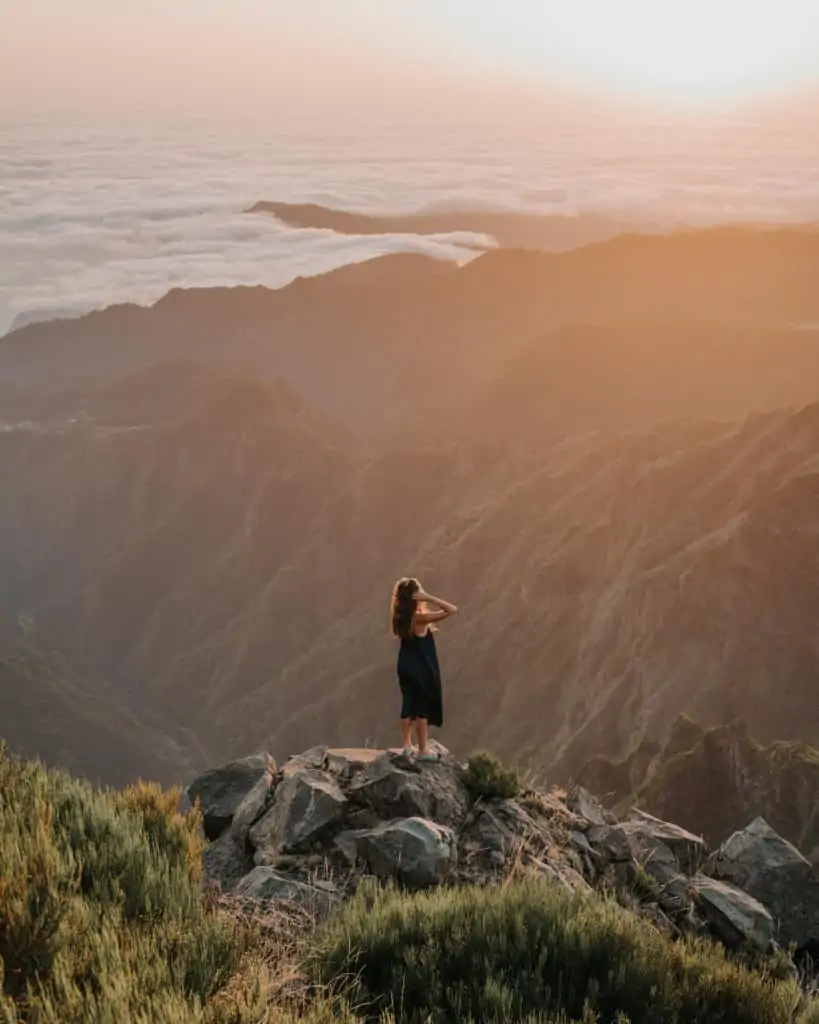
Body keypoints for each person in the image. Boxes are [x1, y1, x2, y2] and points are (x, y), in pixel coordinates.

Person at [390, 577, 457, 761]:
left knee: (408, 702)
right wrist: (430, 598)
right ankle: (422, 750)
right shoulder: (420, 619)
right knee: (422, 708)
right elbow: (452, 610)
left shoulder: (399, 616)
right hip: (421, 666)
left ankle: (406, 745)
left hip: (404, 664)